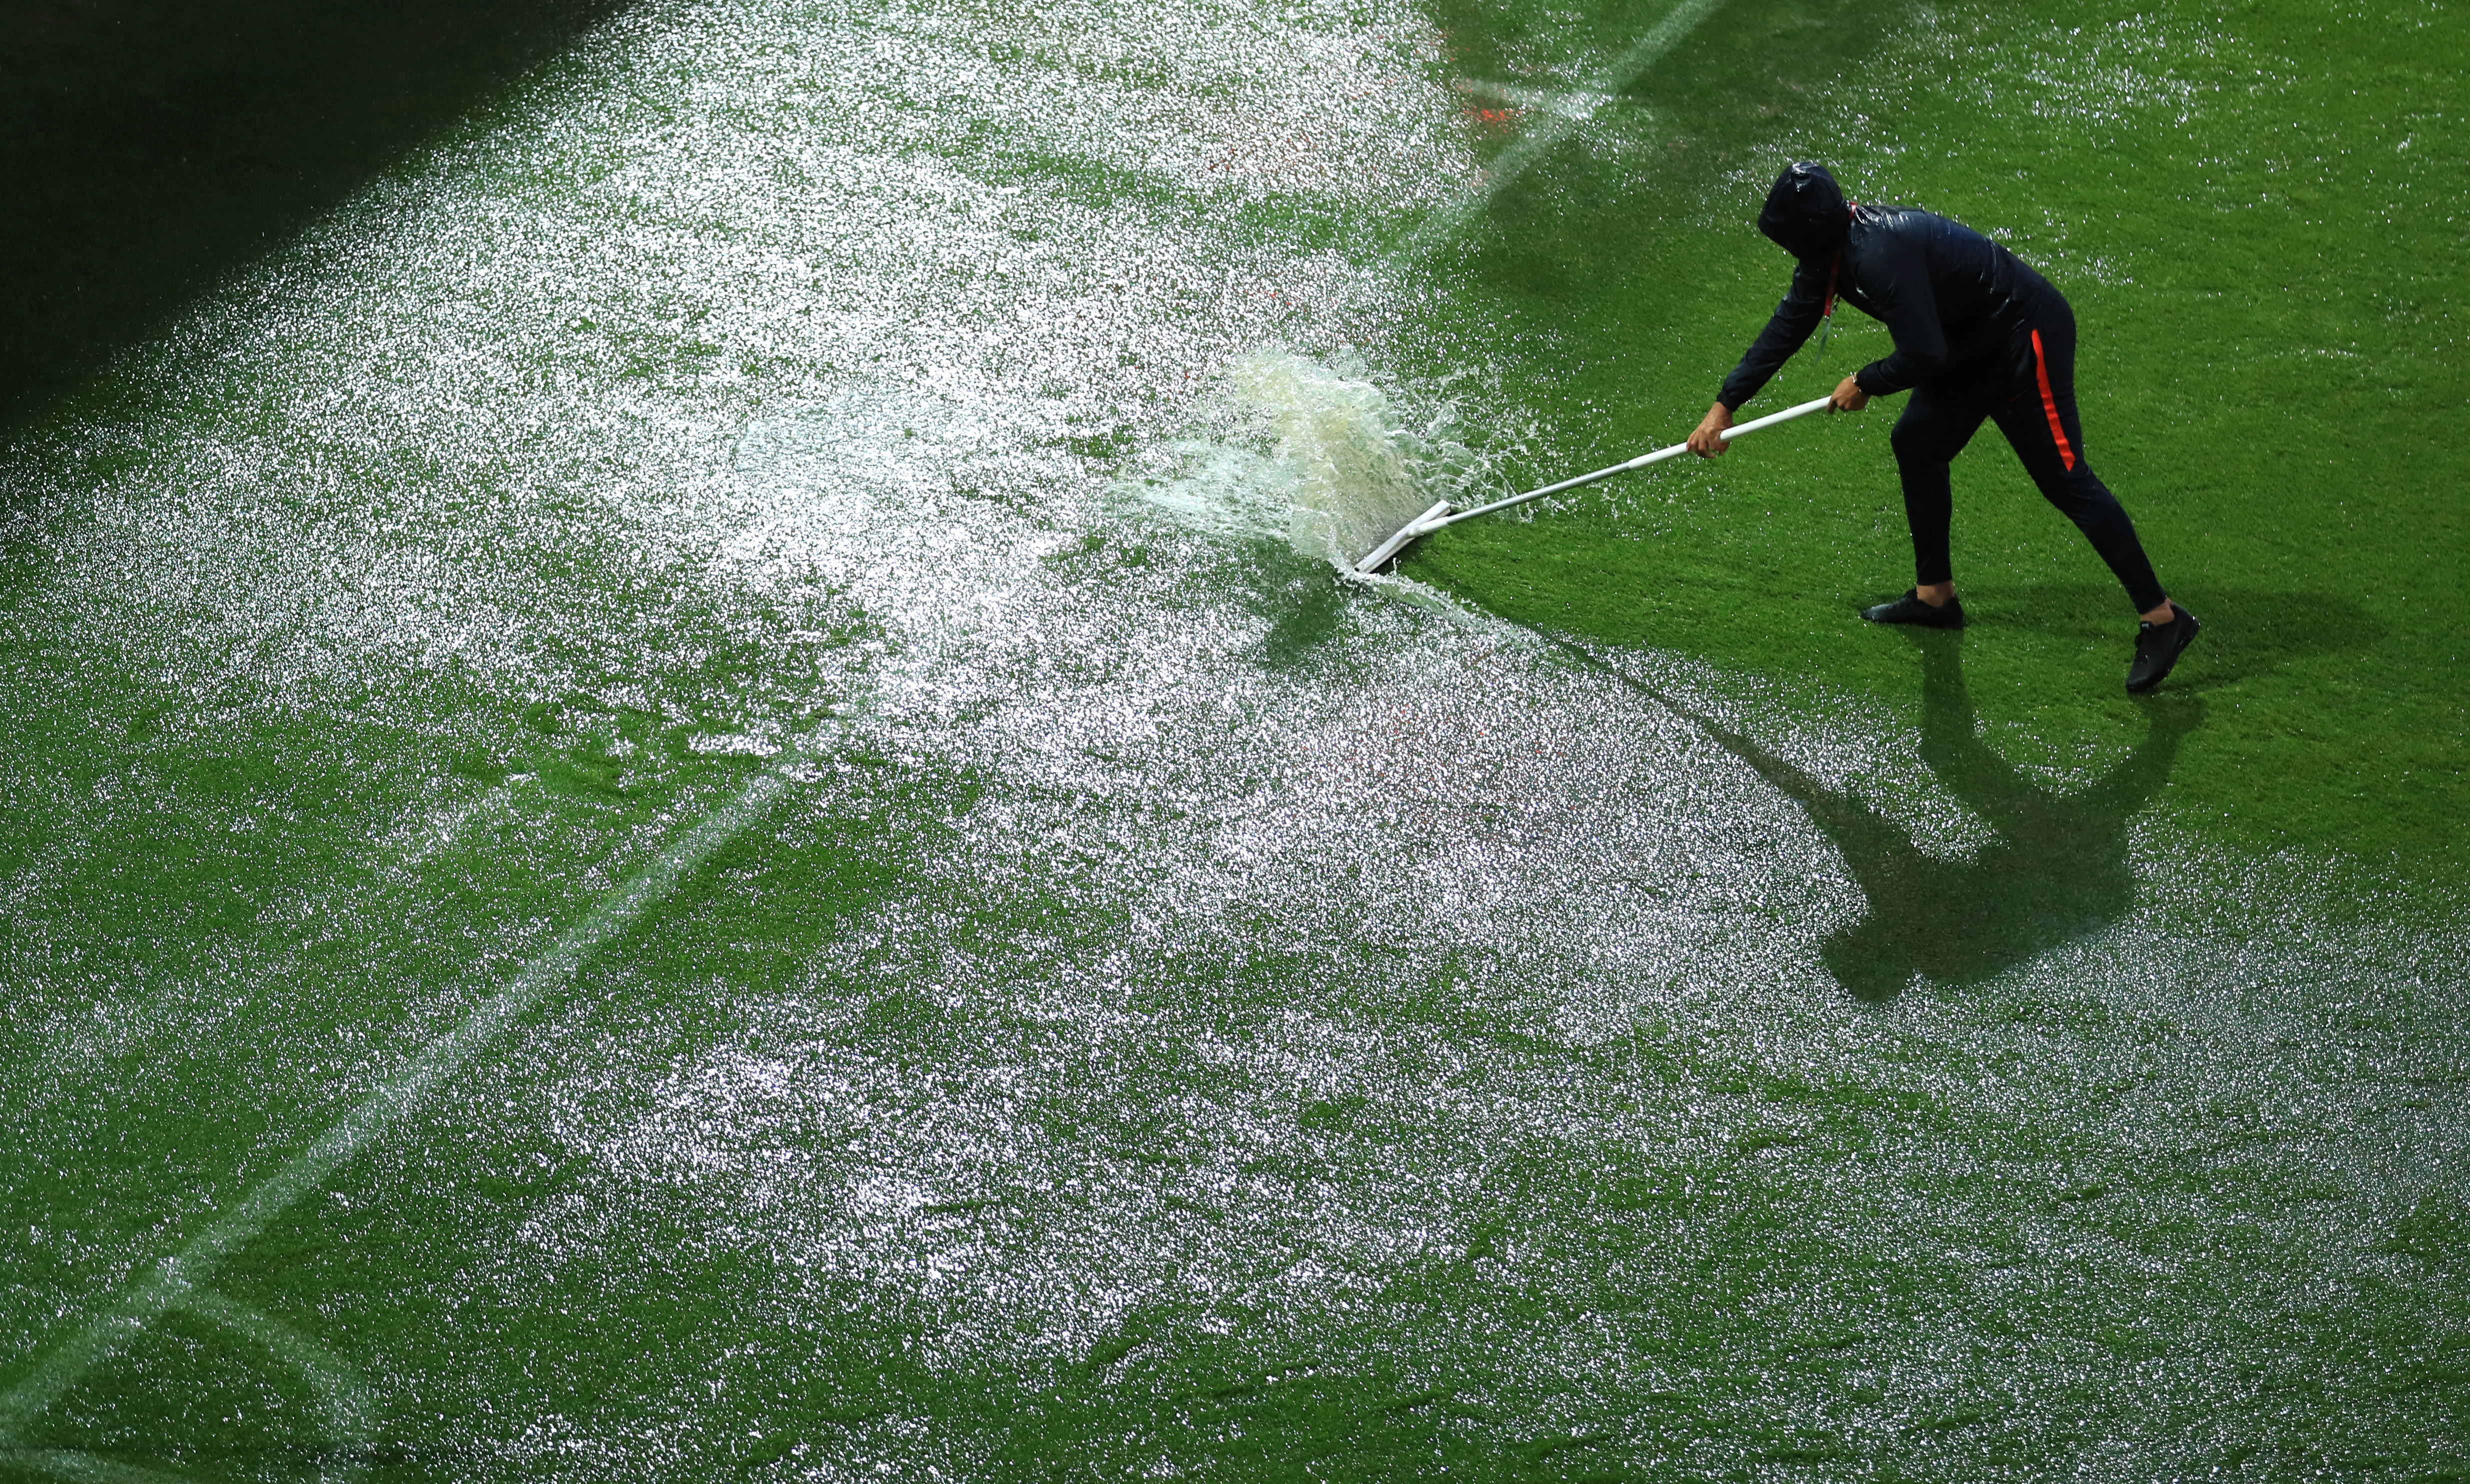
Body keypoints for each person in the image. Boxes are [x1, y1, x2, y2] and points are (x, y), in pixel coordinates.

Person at [1686, 162, 2200, 694]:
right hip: (1970, 344)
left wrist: (1866, 381)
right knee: (1917, 442)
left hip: (2023, 336)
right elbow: (1788, 324)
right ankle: (1935, 596)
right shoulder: (1833, 253)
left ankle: (2163, 618)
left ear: (1808, 234)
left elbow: (1923, 353)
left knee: (2065, 479)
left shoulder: (1876, 255)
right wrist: (1726, 405)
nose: (1787, 249)